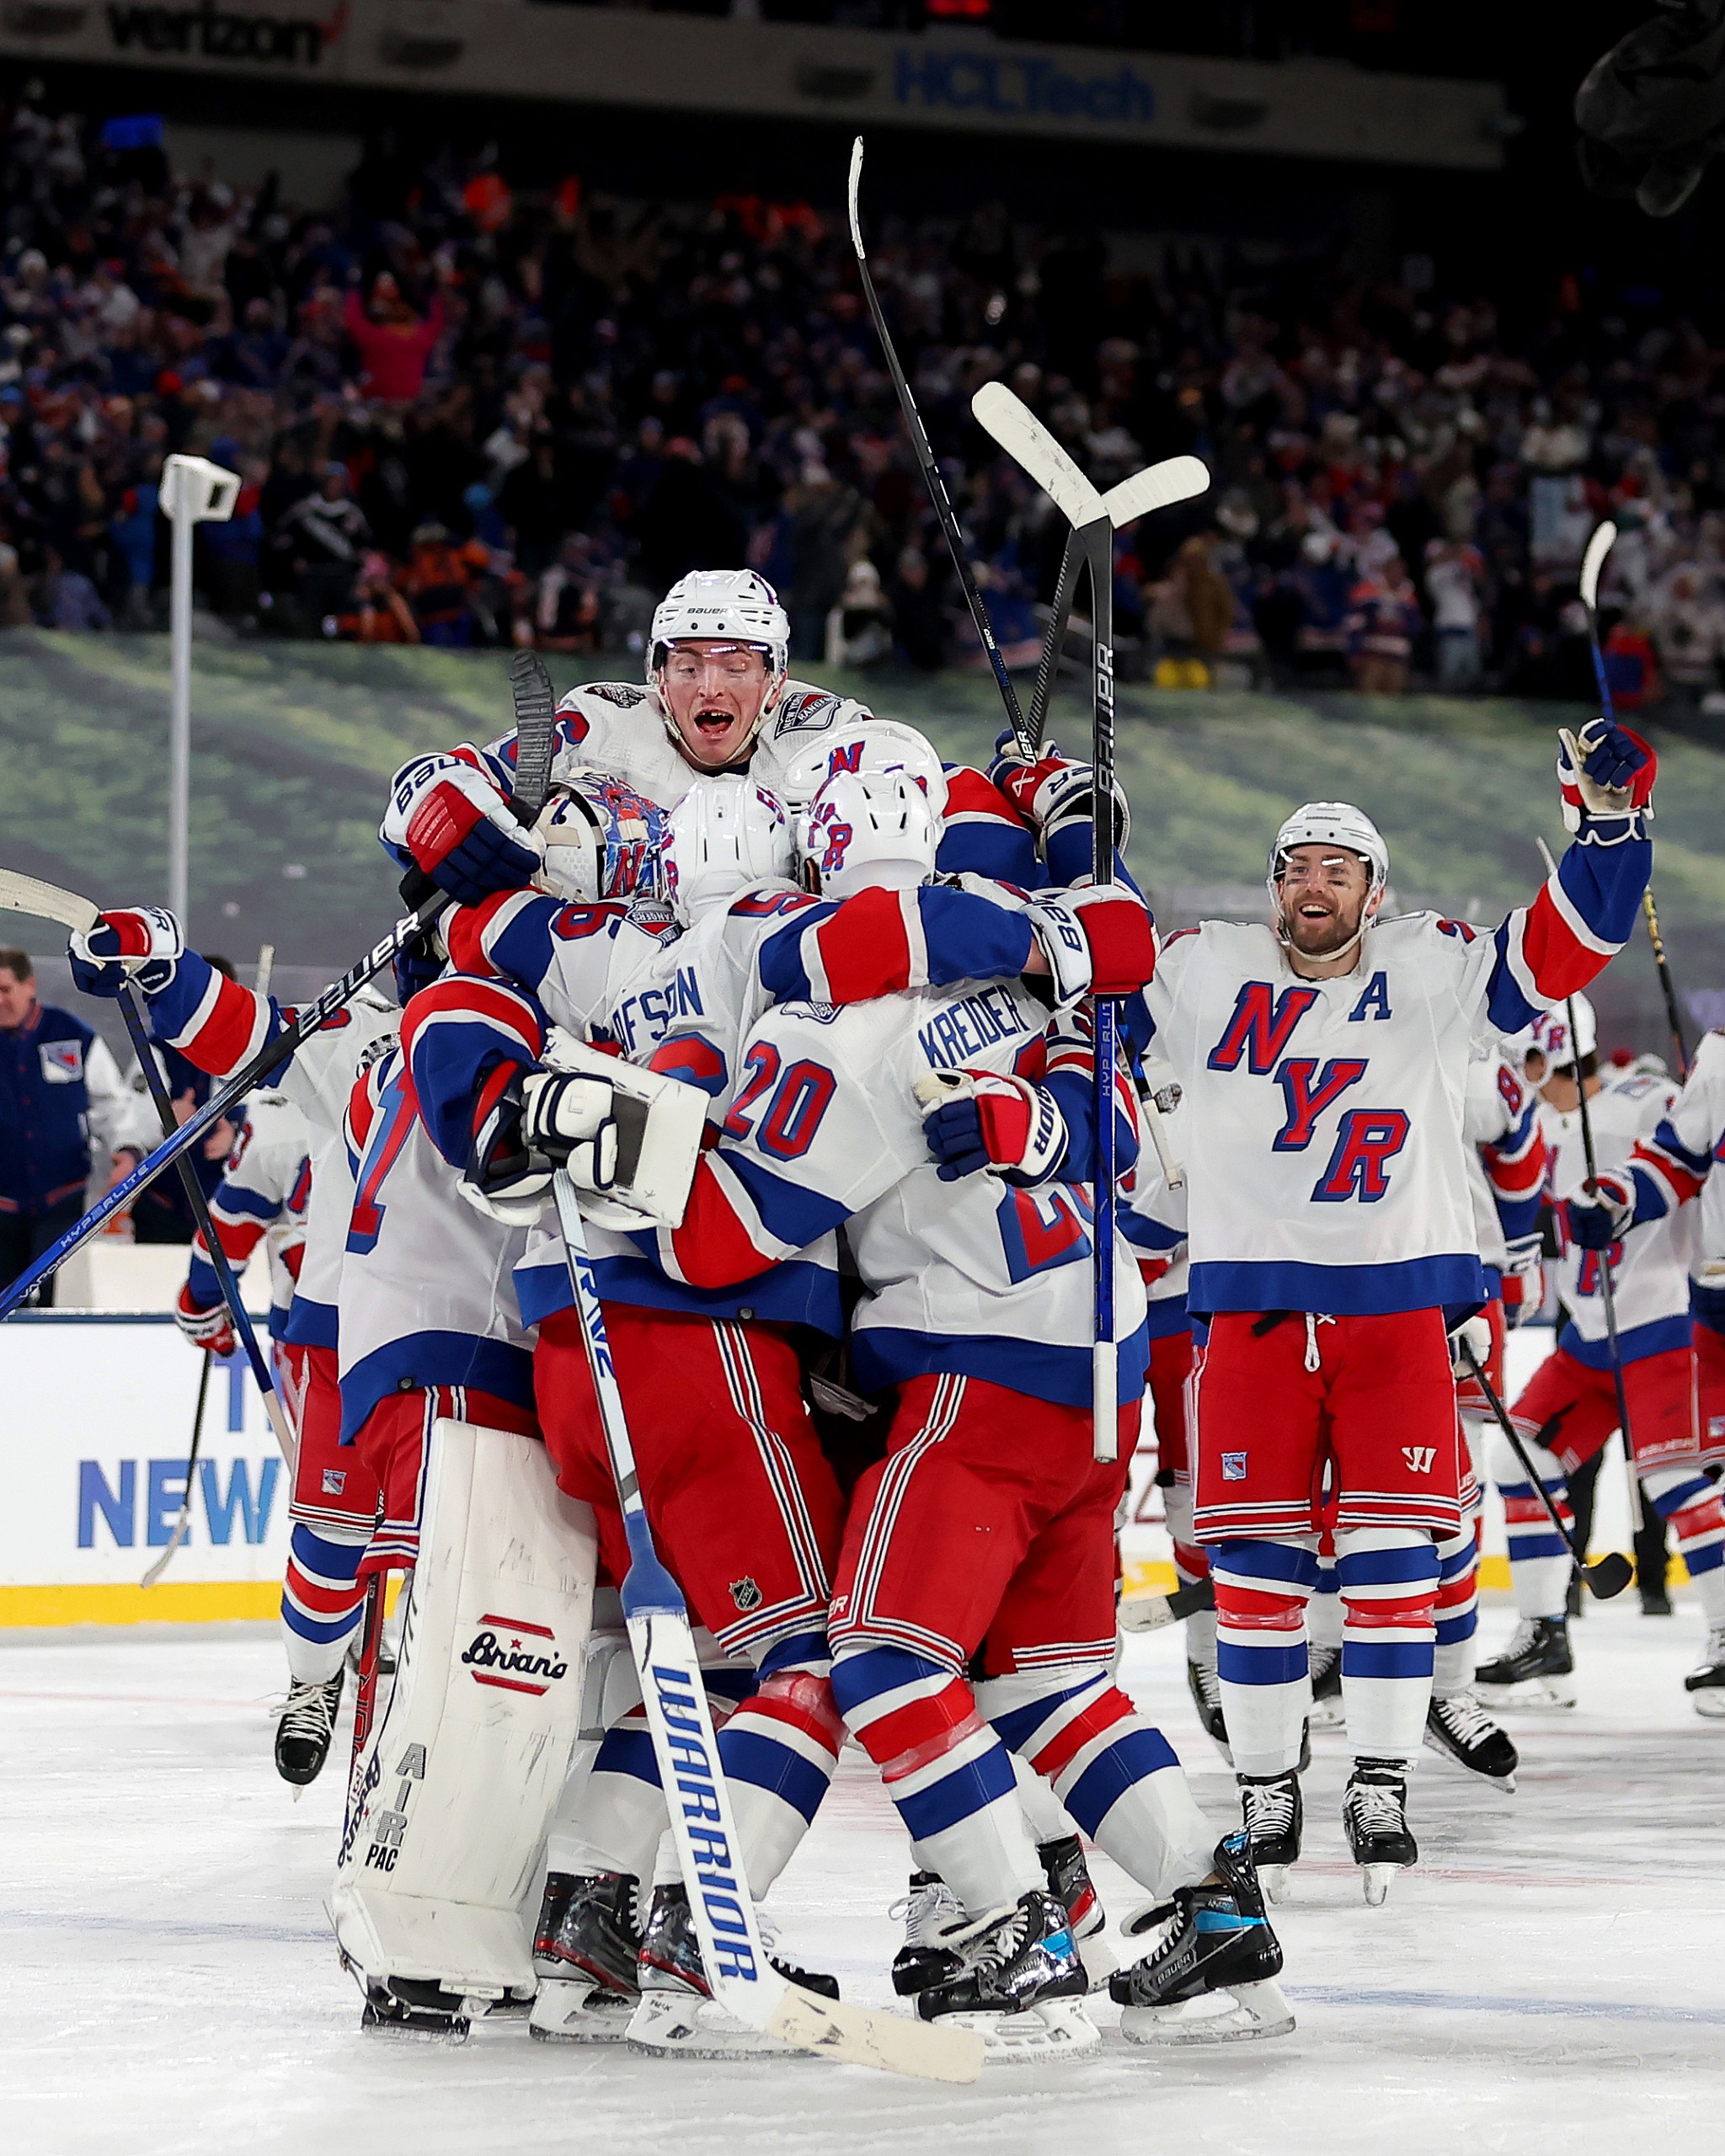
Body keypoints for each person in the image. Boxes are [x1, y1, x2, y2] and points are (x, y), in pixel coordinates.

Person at [625, 762, 1290, 2057]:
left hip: (974, 1369)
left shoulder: (830, 1019)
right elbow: (1116, 1118)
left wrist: (622, 1145)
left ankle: (1015, 1923)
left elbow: (720, 1241)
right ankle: (1217, 1911)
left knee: (880, 1662)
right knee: (1053, 1686)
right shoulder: (1020, 979)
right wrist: (1081, 846)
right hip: (1099, 1365)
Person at [1050, 716, 1655, 1903]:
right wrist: (1079, 829)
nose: (1308, 884)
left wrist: (1613, 823)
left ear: (1374, 894)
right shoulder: (1204, 963)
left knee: (1387, 1561)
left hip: (1395, 1318)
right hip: (1251, 1317)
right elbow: (1094, 942)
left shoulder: (1433, 967)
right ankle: (1269, 1785)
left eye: (1336, 868)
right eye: (1293, 866)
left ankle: (1379, 1778)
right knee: (1262, 1572)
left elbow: (1571, 939)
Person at [65, 910, 398, 1781]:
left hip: (485, 1332)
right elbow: (246, 1030)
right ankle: (316, 1675)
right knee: (330, 1532)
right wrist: (161, 965)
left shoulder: (554, 1037)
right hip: (340, 1330)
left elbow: (234, 1218)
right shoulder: (360, 1038)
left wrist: (199, 1305)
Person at [378, 568, 1039, 905]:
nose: (710, 688)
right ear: (657, 676)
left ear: (775, 679)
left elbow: (923, 807)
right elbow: (442, 781)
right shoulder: (601, 721)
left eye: (735, 665)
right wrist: (446, 815)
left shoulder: (829, 731)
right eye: (688, 665)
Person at [1489, 1005, 1725, 1714]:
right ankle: (1543, 1636)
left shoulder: (1648, 1101)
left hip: (1659, 1326)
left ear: (1543, 1055)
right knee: (1518, 1459)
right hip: (1589, 1336)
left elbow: (1687, 1164)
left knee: (1675, 1476)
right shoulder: (1543, 1128)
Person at [0, 947, 143, 1305]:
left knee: (58, 1297)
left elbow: (111, 1103)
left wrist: (125, 1150)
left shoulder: (71, 1036)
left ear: (29, 985)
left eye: (4, 990)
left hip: (62, 1196)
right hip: (2, 1203)